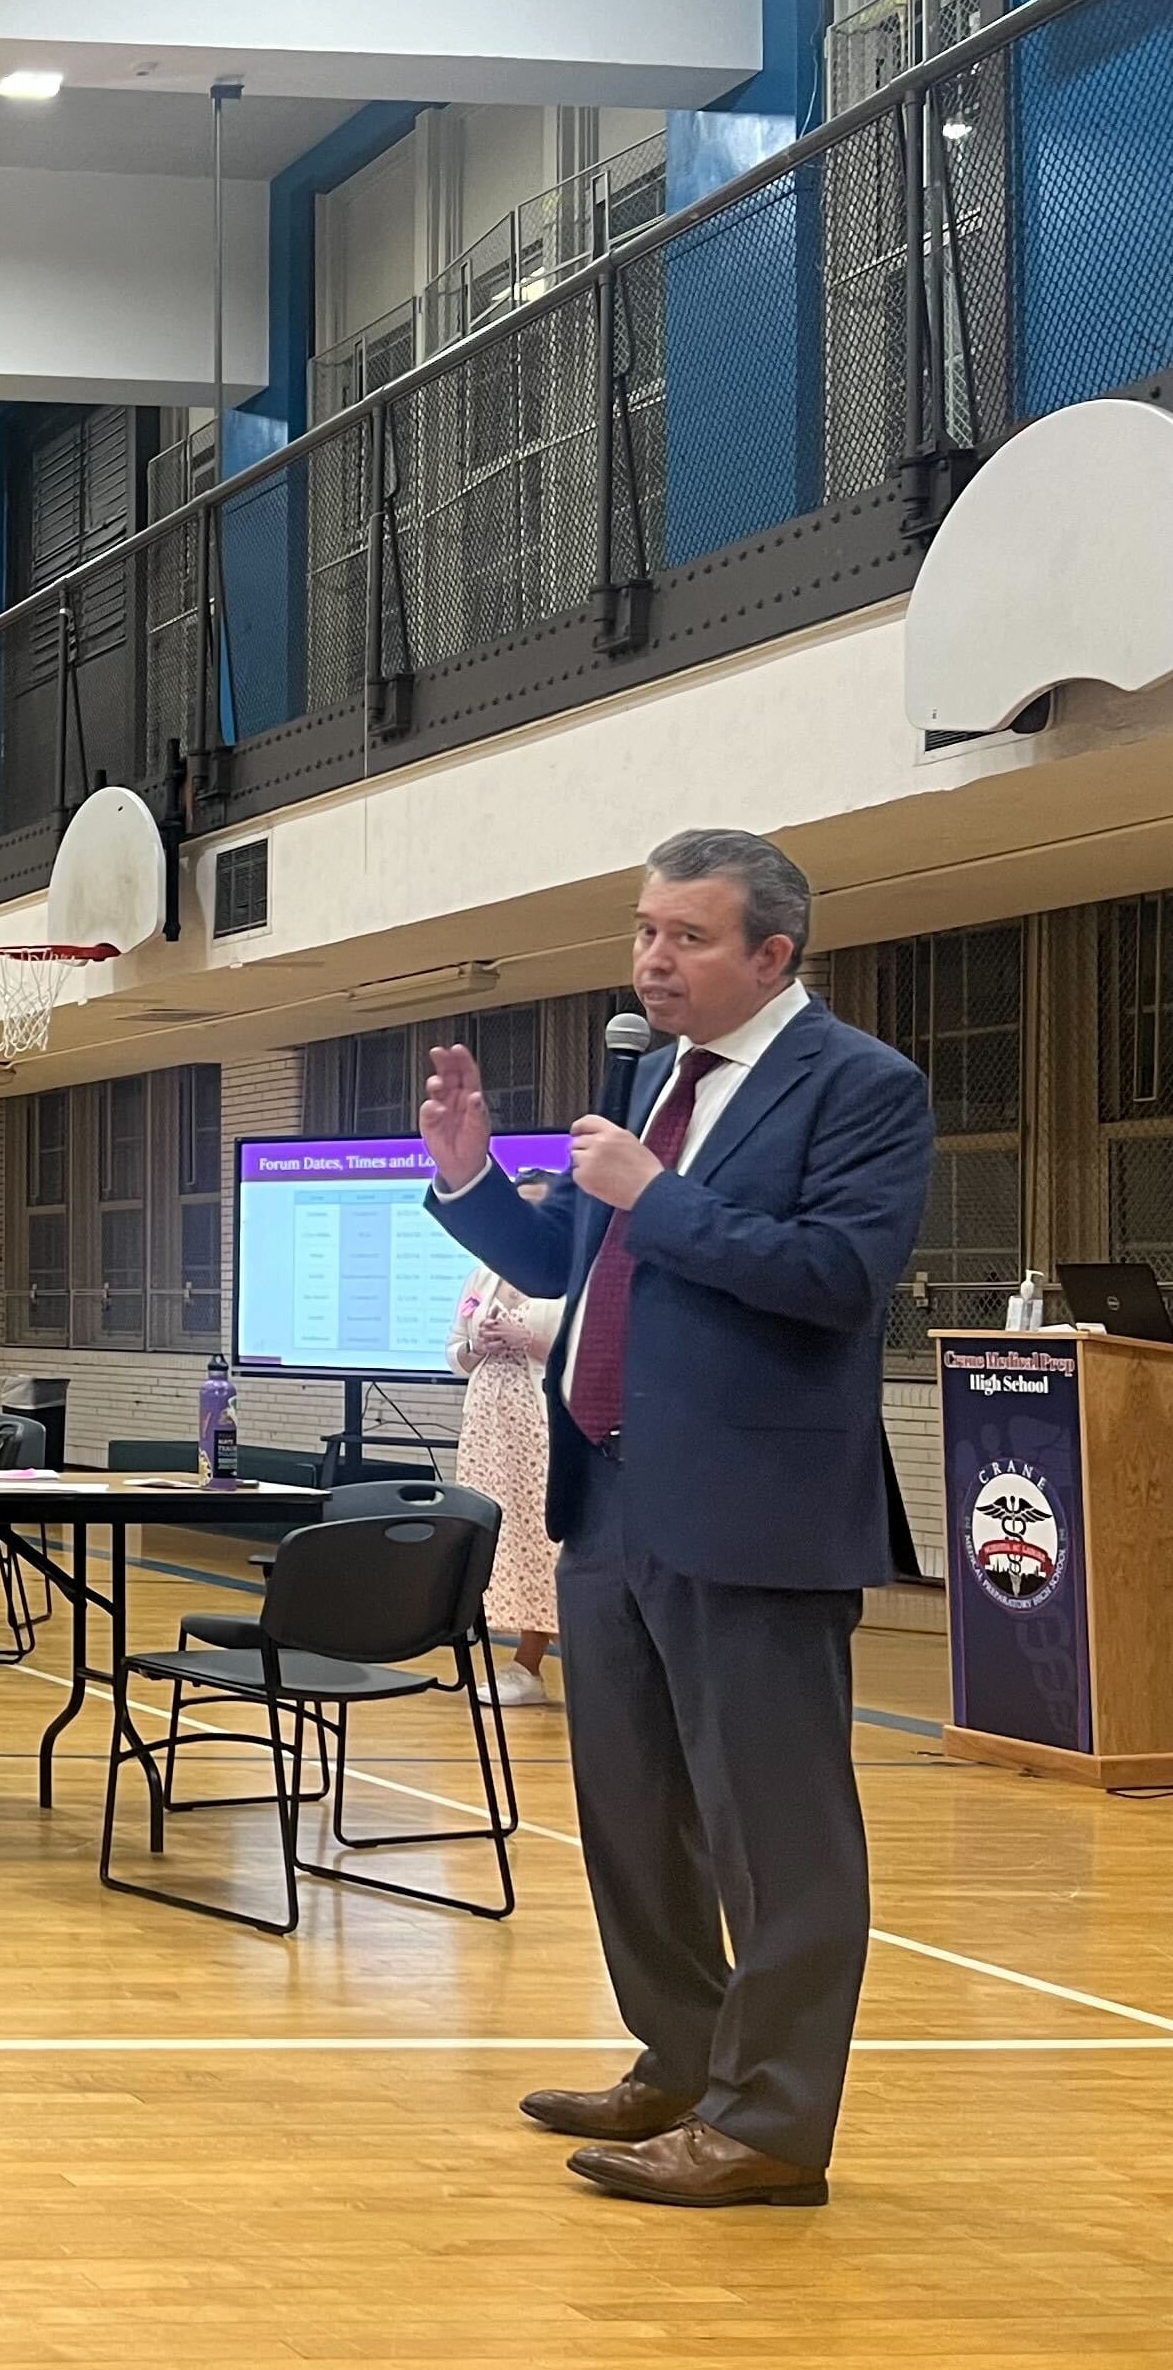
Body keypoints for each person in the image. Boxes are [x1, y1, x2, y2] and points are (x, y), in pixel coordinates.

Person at [423, 827, 932, 2209]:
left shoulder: (862, 1088)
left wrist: (665, 1197)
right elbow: (580, 1273)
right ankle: (683, 2053)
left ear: (774, 954)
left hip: (756, 1506)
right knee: (632, 1816)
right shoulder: (653, 1083)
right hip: (614, 1494)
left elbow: (837, 1277)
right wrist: (473, 1180)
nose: (655, 958)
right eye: (647, 930)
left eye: (689, 936)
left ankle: (769, 2124)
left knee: (776, 1829)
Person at [447, 1173, 569, 1706]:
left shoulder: (569, 1272)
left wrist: (528, 1338)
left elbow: (588, 1349)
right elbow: (453, 1351)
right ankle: (511, 1663)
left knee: (547, 1537)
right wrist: (477, 1347)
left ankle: (534, 1659)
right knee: (497, 1535)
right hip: (490, 1425)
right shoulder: (483, 1273)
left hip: (544, 1421)